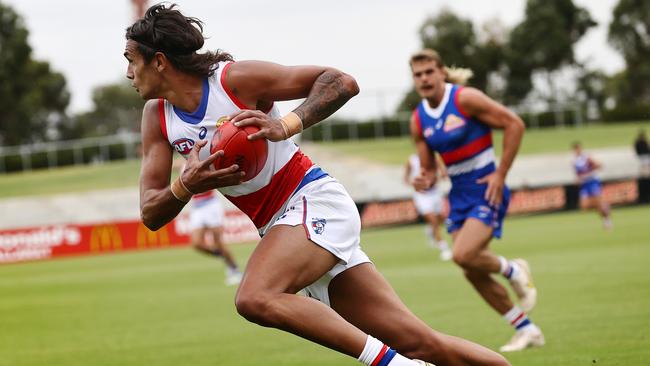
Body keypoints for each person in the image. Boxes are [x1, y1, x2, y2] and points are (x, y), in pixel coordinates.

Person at [125, 5, 510, 366]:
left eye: (131, 60)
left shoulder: (233, 79)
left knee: (255, 298)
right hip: (281, 227)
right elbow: (151, 212)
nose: (128, 73)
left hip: (312, 201)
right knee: (420, 342)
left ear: (158, 61)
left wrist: (285, 124)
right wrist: (185, 185)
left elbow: (341, 81)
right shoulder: (157, 118)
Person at [408, 49, 544, 353]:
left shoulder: (465, 99)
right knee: (470, 269)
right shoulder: (418, 120)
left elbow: (515, 124)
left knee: (463, 254)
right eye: (418, 75)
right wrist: (424, 179)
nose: (425, 78)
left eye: (429, 71)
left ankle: (514, 270)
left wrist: (501, 174)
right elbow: (429, 169)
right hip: (458, 194)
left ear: (442, 72)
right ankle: (526, 328)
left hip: (487, 187)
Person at [175, 159, 243, 285]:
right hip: (196, 207)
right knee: (197, 243)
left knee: (218, 242)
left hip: (210, 204)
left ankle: (234, 270)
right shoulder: (184, 163)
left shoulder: (201, 161)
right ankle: (224, 257)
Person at [404, 153, 452, 261]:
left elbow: (442, 171)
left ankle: (430, 231)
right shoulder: (411, 160)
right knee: (433, 220)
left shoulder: (434, 158)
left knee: (440, 218)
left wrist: (442, 175)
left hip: (435, 192)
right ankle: (444, 248)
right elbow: (406, 176)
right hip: (421, 195)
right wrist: (412, 183)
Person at [572, 142, 612, 230]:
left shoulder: (586, 157)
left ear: (580, 148)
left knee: (598, 203)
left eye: (578, 148)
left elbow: (599, 166)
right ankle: (604, 207)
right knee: (583, 206)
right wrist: (578, 180)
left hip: (593, 182)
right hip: (584, 185)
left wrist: (589, 173)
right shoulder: (575, 161)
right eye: (575, 149)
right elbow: (578, 175)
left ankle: (606, 220)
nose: (577, 151)